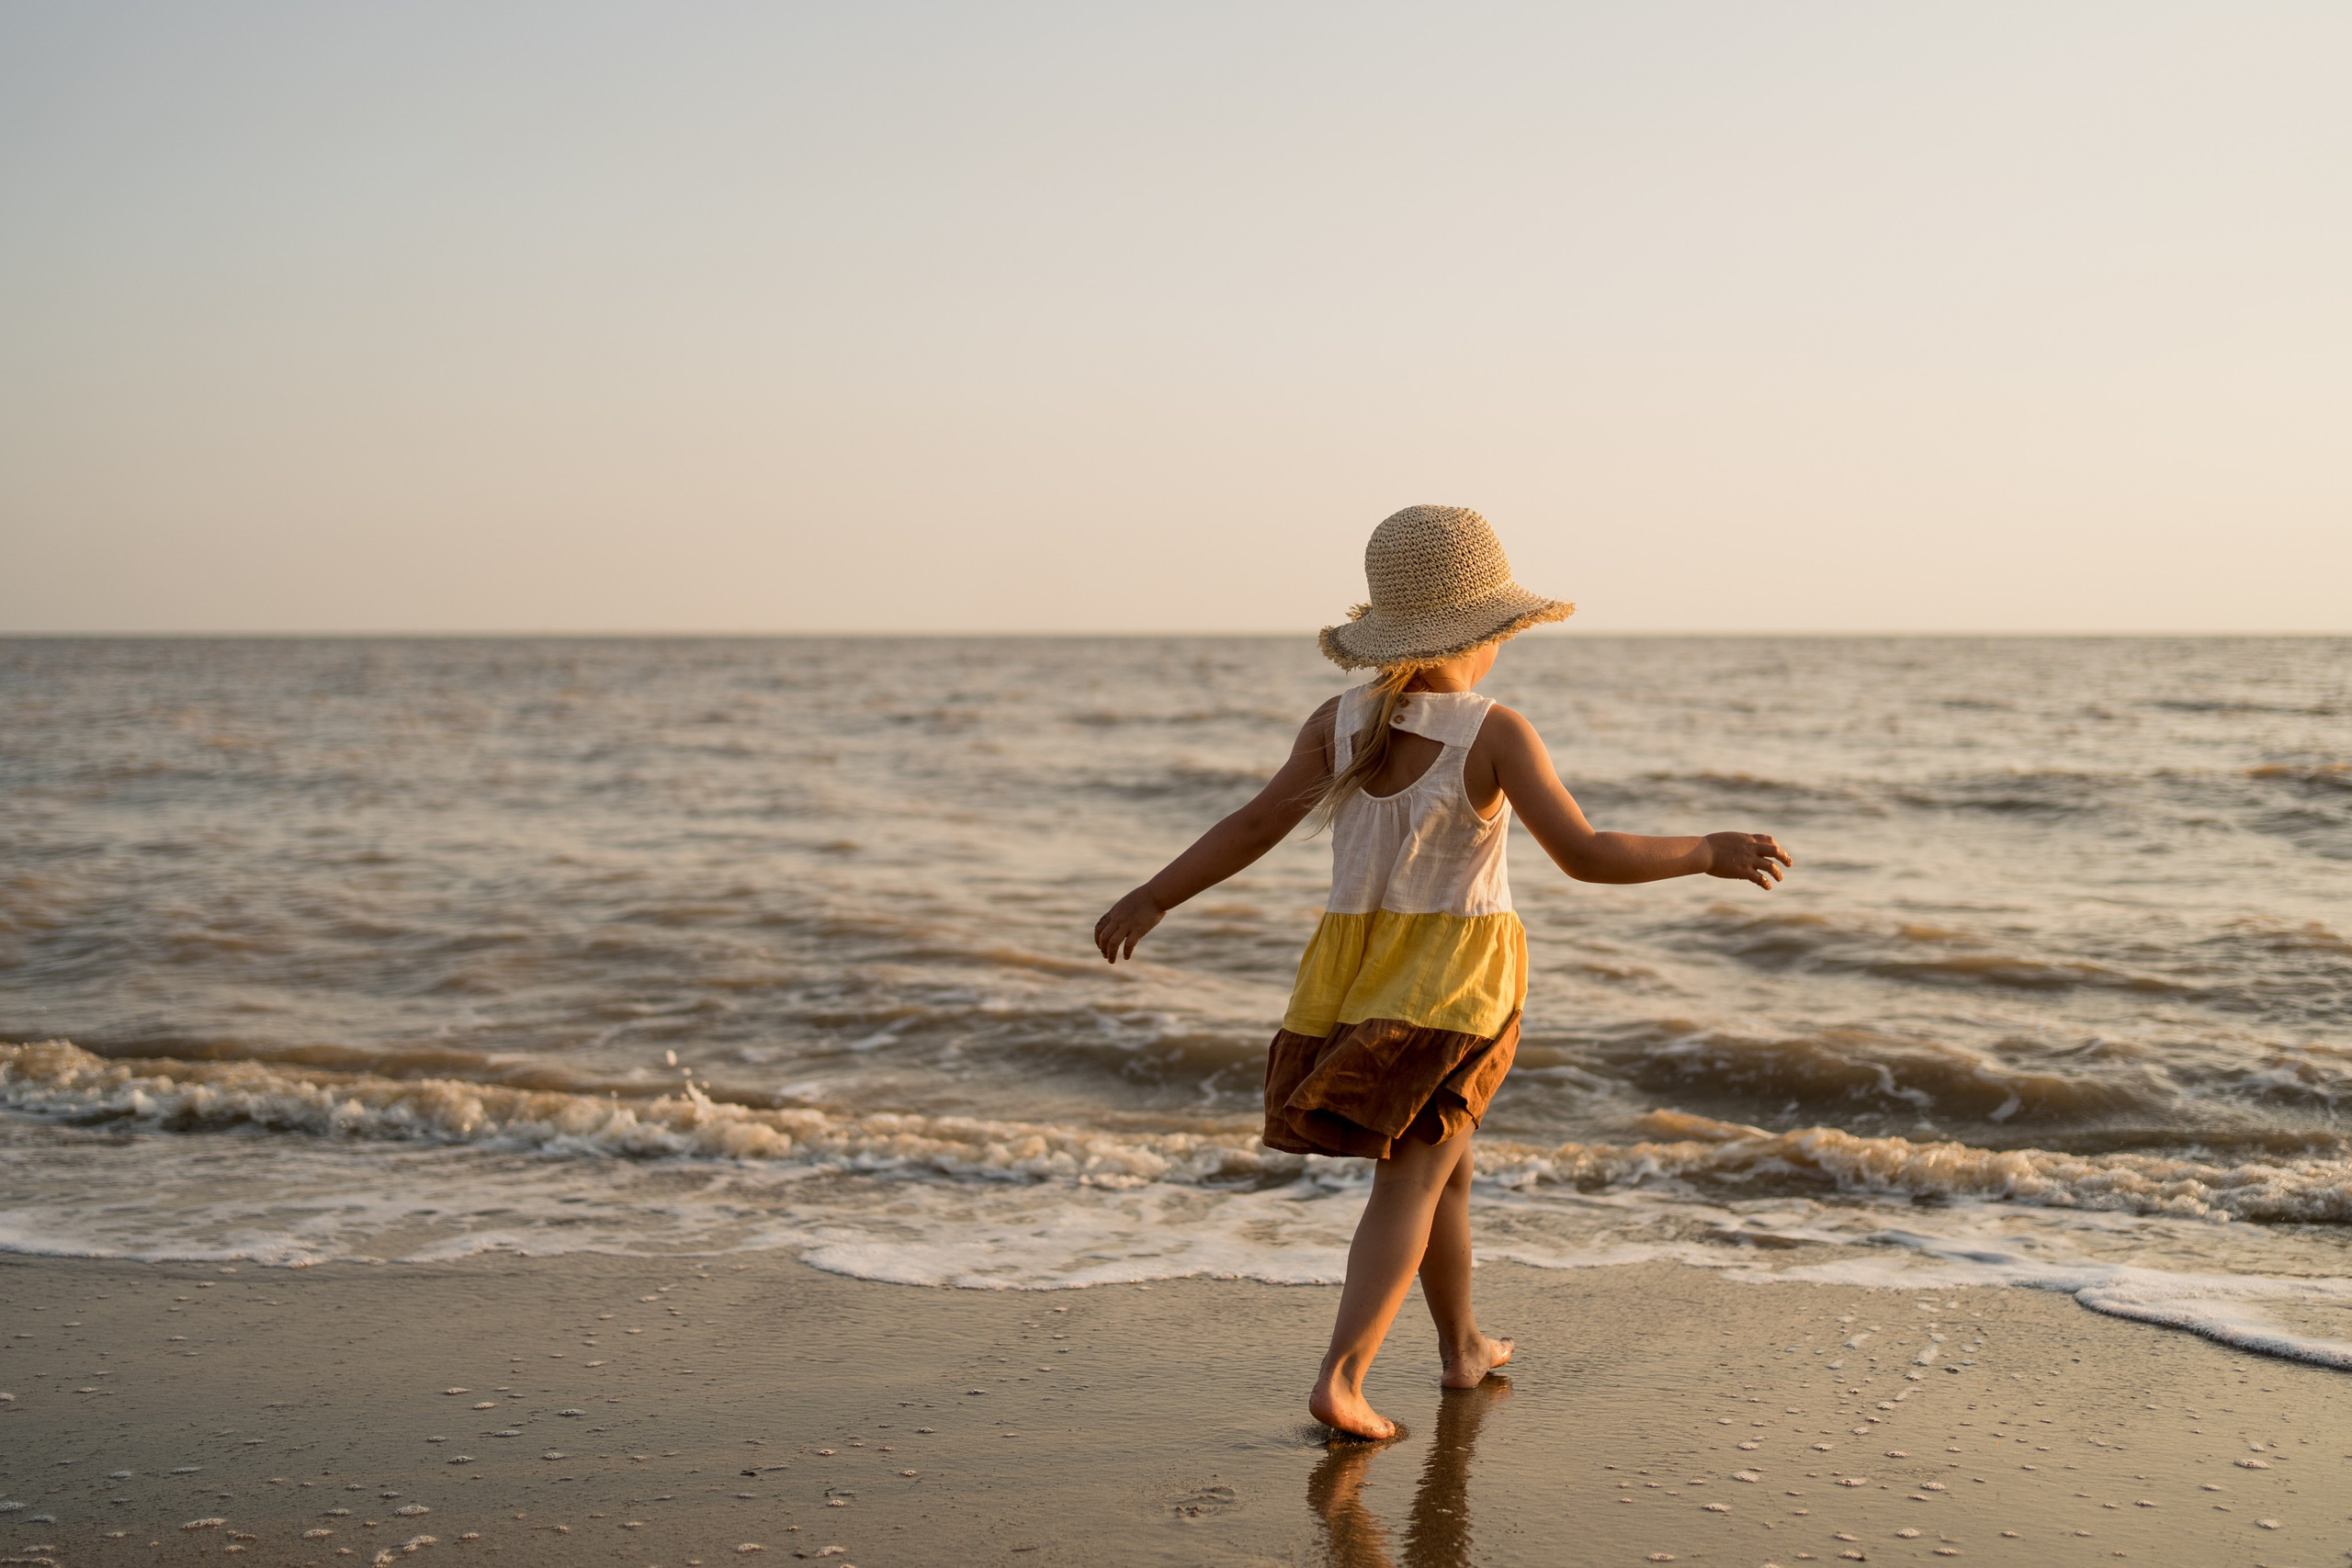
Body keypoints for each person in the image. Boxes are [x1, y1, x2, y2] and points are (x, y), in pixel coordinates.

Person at [1092, 504, 1792, 1440]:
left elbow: (1253, 826)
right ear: (1491, 630)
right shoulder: (1491, 730)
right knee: (1412, 1182)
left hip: (1352, 982)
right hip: (1455, 992)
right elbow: (1584, 854)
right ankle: (1340, 1378)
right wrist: (1705, 850)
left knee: (1444, 1171)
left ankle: (1461, 1345)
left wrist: (1155, 894)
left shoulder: (1338, 723)